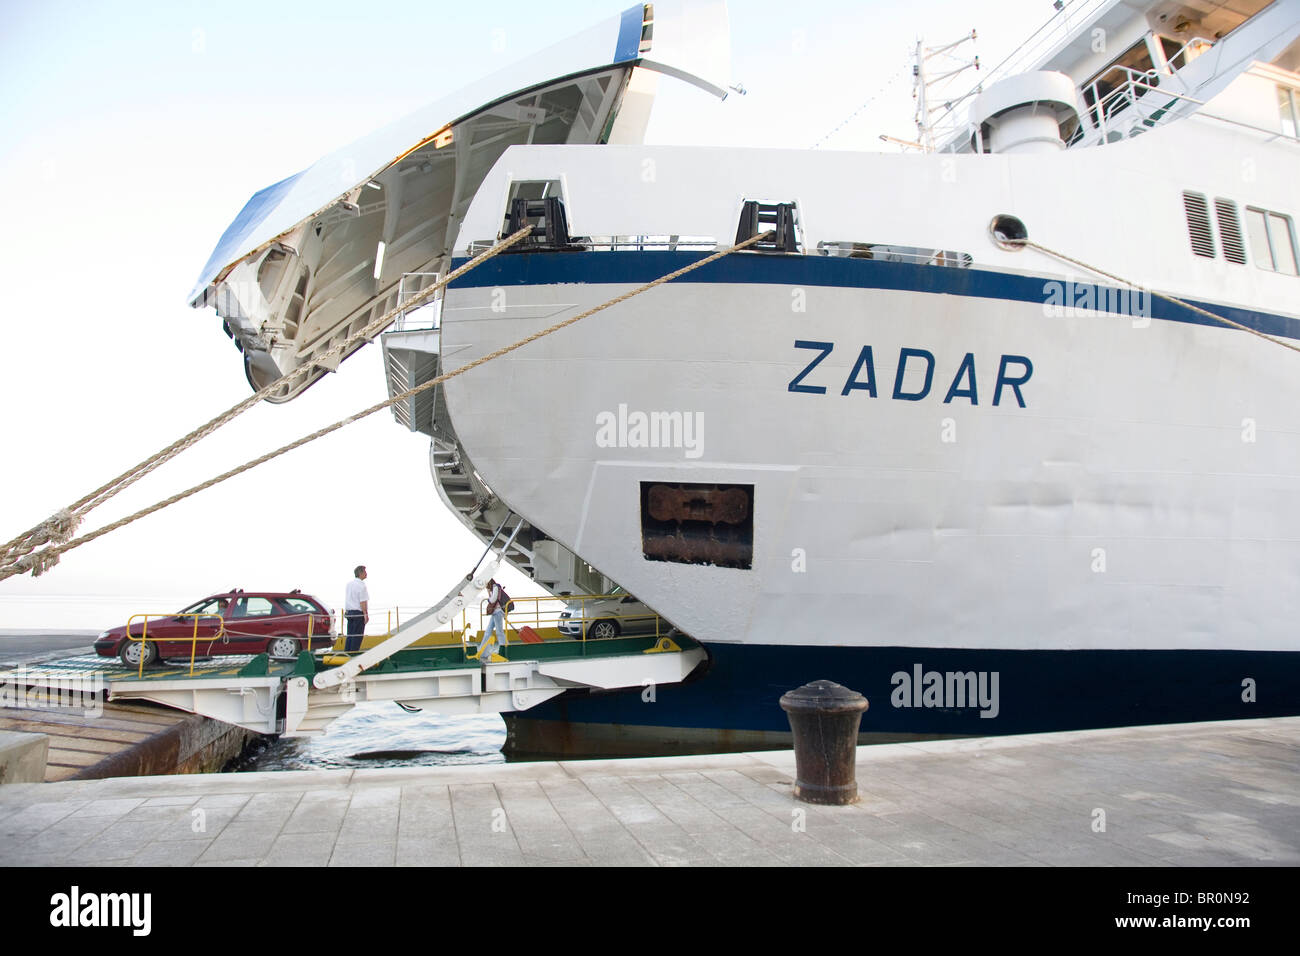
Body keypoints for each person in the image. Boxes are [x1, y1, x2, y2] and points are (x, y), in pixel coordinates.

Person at [473, 578, 510, 663]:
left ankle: (505, 649)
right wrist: (488, 591)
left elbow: (493, 599)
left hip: (498, 611)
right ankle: (483, 652)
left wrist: (488, 598)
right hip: (495, 612)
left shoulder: (495, 587)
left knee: (499, 632)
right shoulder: (492, 588)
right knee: (488, 632)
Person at [344, 565, 369, 653]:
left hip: (349, 612)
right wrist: (366, 614)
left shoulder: (349, 584)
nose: (366, 574)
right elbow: (362, 602)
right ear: (361, 573)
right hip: (358, 613)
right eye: (365, 572)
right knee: (357, 636)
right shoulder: (362, 586)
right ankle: (353, 653)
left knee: (350, 635)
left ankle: (347, 652)